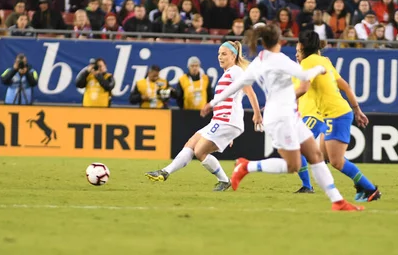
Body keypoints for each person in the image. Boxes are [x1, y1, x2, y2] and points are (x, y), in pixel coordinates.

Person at [200, 25, 363, 211]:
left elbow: (238, 84)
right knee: (293, 164)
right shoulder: (279, 59)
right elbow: (304, 77)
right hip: (280, 118)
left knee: (316, 155)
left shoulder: (259, 61)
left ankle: (338, 202)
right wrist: (318, 69)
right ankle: (246, 166)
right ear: (278, 41)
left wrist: (213, 103)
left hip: (289, 113)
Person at [145, 41, 262, 192]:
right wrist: (228, 134)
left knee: (200, 151)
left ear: (233, 56)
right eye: (219, 54)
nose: (220, 57)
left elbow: (250, 92)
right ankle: (165, 172)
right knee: (191, 143)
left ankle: (224, 180)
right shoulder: (228, 73)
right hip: (222, 120)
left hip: (226, 120)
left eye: (224, 54)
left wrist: (257, 114)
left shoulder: (236, 71)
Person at [294, 30, 381, 202]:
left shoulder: (308, 62)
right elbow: (344, 85)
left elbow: (303, 88)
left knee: (337, 161)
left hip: (336, 114)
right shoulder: (323, 61)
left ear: (303, 47)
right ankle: (356, 188)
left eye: (297, 48)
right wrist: (356, 109)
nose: (296, 52)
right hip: (336, 112)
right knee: (322, 156)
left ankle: (370, 189)